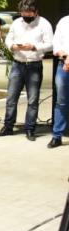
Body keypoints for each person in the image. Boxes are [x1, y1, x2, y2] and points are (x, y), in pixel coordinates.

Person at [0, 0, 53, 141]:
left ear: (36, 12)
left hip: (34, 64)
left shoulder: (44, 24)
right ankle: (8, 127)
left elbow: (50, 44)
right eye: (23, 13)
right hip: (17, 64)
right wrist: (12, 46)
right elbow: (9, 38)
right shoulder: (16, 23)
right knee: (11, 98)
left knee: (32, 99)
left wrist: (34, 47)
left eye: (29, 13)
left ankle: (30, 129)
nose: (26, 16)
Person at [49, 14, 69, 148]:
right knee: (61, 101)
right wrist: (65, 55)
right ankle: (57, 136)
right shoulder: (64, 21)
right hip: (64, 65)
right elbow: (56, 43)